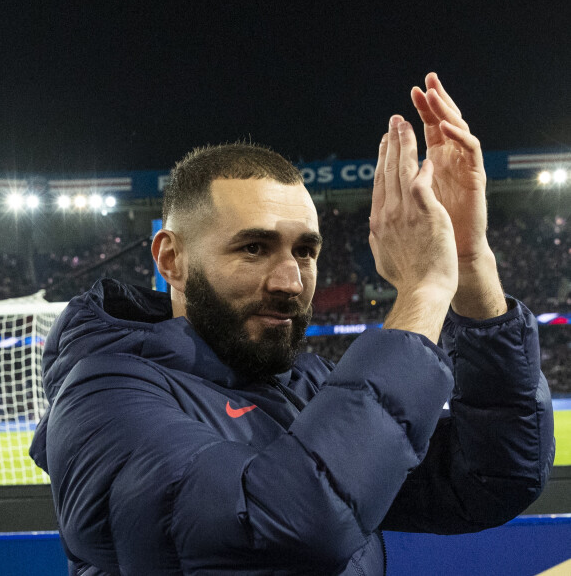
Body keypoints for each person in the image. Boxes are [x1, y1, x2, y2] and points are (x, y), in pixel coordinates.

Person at [30, 73, 554, 575]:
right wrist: (422, 292)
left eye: (305, 251)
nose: (290, 280)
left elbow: (490, 477)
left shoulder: (305, 387)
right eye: (254, 248)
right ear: (171, 259)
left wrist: (468, 265)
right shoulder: (103, 398)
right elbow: (288, 527)